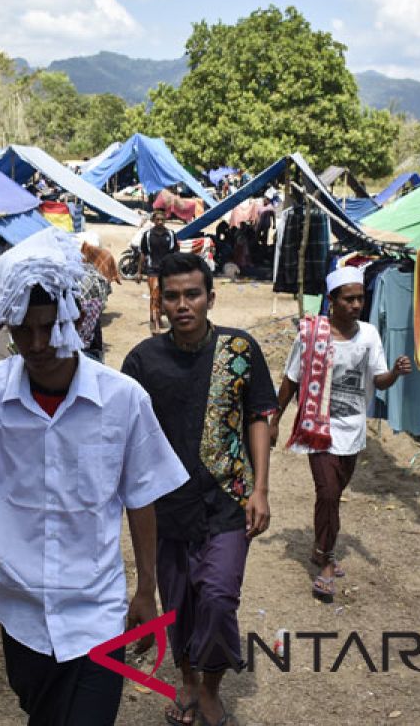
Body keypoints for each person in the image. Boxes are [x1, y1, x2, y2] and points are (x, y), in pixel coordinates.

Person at [0, 228, 188, 726]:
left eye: (50, 326)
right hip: (21, 615)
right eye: (23, 329)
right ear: (6, 329)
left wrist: (146, 589)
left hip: (96, 611)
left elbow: (141, 495)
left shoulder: (122, 399)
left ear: (74, 318)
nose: (39, 343)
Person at [121, 252, 277, 726]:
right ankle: (187, 681)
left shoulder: (239, 351)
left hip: (227, 501)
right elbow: (125, 433)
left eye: (192, 294)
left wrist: (261, 490)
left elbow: (258, 416)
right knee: (180, 603)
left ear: (210, 297)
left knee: (218, 595)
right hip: (167, 509)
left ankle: (210, 686)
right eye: (172, 296)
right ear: (161, 301)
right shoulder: (142, 361)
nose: (182, 304)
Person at [269, 266, 412, 597]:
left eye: (360, 298)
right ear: (331, 300)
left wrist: (395, 373)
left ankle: (320, 547)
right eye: (349, 299)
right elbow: (291, 378)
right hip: (317, 429)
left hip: (353, 431)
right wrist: (275, 419)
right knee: (329, 494)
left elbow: (378, 380)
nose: (356, 304)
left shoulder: (369, 335)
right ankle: (327, 561)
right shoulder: (310, 336)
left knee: (333, 495)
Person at [135, 211, 178, 333]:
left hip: (167, 271)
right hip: (152, 270)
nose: (160, 222)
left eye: (162, 220)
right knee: (154, 295)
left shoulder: (171, 234)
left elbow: (175, 253)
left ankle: (156, 317)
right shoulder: (147, 235)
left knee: (163, 296)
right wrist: (139, 272)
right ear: (153, 221)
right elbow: (143, 253)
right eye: (157, 220)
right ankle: (155, 324)